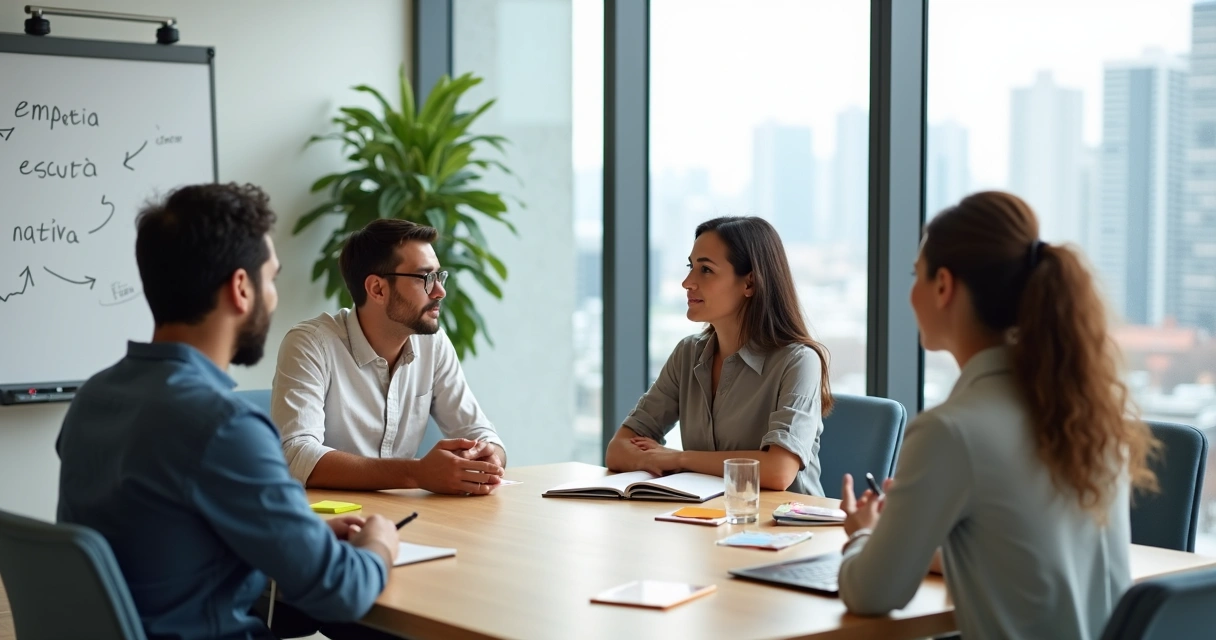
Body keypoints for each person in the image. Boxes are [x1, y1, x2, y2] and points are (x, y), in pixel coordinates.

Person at [56, 183, 399, 640]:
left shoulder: (94, 398)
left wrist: (298, 535)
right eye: (271, 278)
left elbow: (163, 545)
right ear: (241, 287)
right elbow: (340, 592)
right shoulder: (222, 426)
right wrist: (379, 543)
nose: (273, 297)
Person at [837, 191, 1160, 639]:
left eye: (917, 274)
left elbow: (871, 593)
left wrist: (865, 535)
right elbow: (1020, 554)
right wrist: (907, 535)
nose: (911, 292)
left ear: (944, 286)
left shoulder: (951, 431)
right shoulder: (1085, 414)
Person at [273, 219, 506, 494]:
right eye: (426, 278)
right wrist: (417, 474)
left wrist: (488, 456)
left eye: (439, 277)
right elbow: (296, 455)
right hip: (333, 523)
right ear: (377, 289)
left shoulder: (433, 345)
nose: (440, 291)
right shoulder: (311, 344)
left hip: (405, 518)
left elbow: (480, 432)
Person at [604, 216, 833, 494]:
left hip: (784, 528)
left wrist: (678, 459)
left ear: (749, 283)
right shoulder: (688, 354)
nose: (687, 282)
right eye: (691, 267)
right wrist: (656, 457)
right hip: (708, 519)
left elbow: (778, 471)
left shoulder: (798, 361)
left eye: (706, 270)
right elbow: (617, 450)